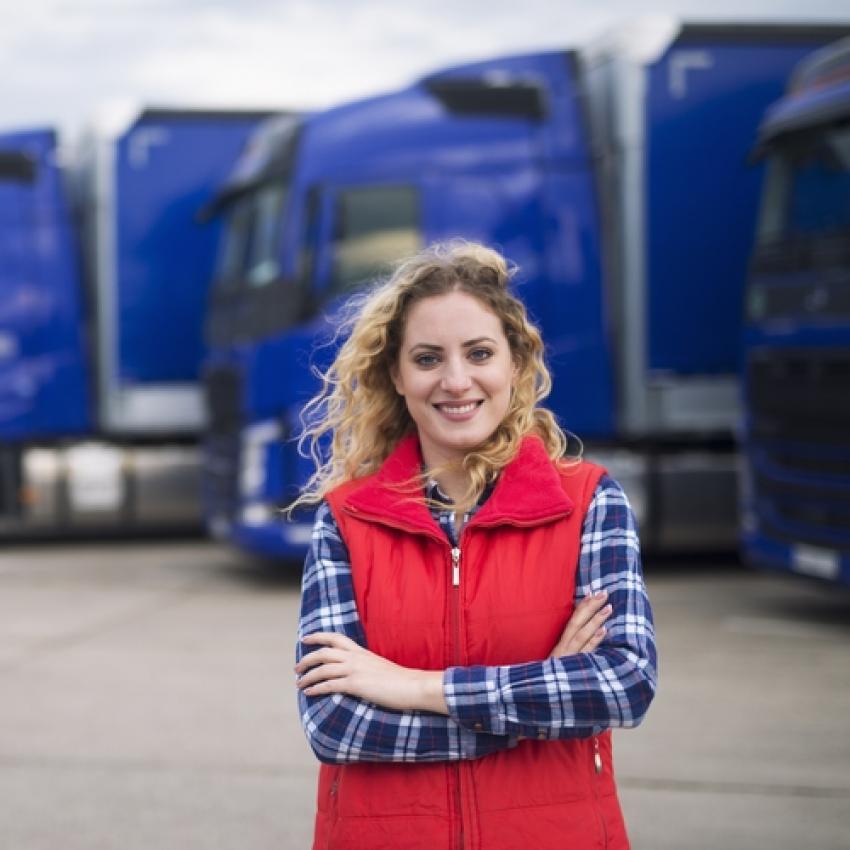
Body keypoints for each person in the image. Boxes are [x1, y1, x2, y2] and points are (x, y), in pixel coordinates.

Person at [293, 241, 657, 850]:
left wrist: (412, 688)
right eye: (429, 358)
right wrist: (536, 703)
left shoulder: (589, 501)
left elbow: (624, 683)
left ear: (515, 364)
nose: (456, 380)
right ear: (396, 375)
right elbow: (336, 726)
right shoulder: (345, 520)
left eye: (479, 353)